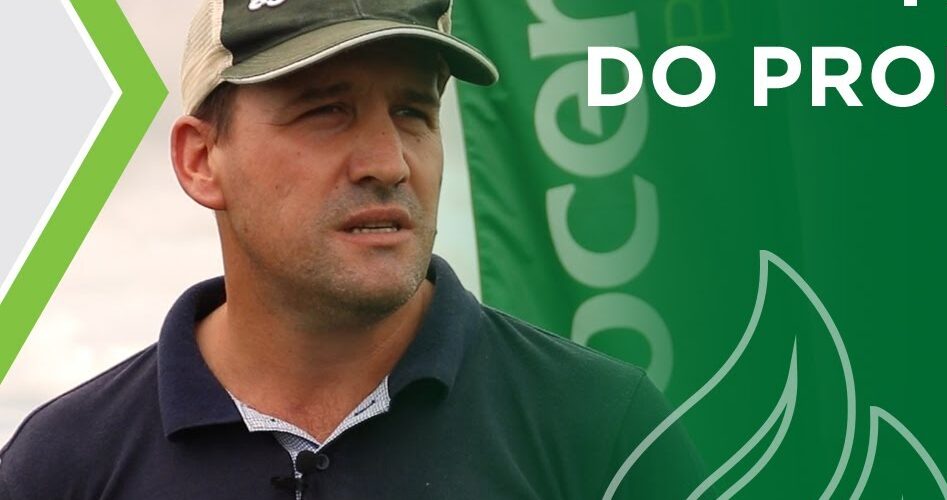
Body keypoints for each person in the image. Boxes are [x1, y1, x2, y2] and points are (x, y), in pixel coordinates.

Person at [0, 0, 703, 498]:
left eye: (413, 111)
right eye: (326, 111)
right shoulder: (62, 465)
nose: (388, 162)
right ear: (201, 159)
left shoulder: (602, 429)